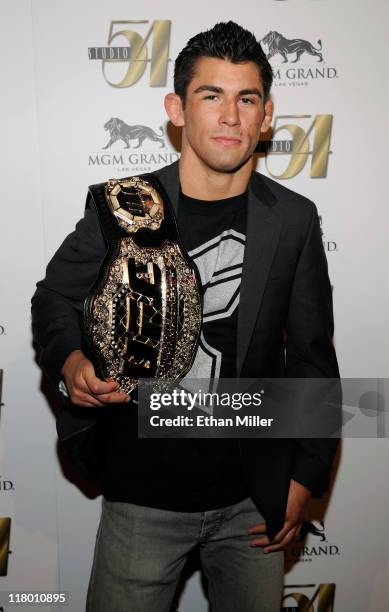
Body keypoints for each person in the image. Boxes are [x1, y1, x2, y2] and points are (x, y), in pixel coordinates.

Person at [31, 21, 340, 612]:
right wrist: (69, 358)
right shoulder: (124, 203)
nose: (230, 116)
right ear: (176, 108)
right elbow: (55, 298)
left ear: (267, 115)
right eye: (211, 95)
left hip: (254, 501)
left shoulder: (294, 220)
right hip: (141, 496)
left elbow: (311, 358)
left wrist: (306, 481)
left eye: (246, 99)